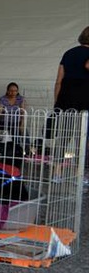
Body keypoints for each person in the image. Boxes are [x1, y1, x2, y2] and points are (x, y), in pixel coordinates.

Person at [52, 26, 89, 179]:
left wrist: (57, 102)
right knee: (84, 138)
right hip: (86, 98)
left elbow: (58, 80)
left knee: (64, 136)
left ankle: (57, 172)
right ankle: (79, 174)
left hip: (67, 98)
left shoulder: (68, 53)